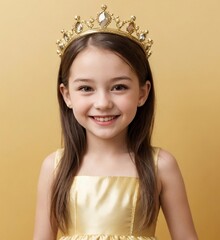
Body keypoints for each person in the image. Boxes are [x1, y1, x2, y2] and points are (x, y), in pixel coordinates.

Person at [33, 5, 198, 240]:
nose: (103, 103)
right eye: (86, 88)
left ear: (142, 92)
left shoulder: (160, 166)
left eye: (119, 87)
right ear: (67, 94)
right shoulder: (55, 167)